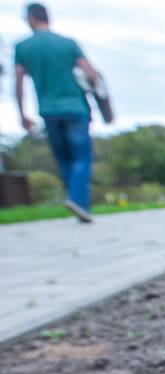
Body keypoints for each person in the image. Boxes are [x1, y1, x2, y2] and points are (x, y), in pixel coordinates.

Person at [14, 3, 98, 223]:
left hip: (48, 110)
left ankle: (75, 198)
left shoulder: (23, 47)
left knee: (63, 159)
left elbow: (19, 83)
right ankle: (79, 200)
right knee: (81, 157)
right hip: (76, 107)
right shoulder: (67, 44)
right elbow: (91, 74)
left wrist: (22, 114)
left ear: (32, 18)